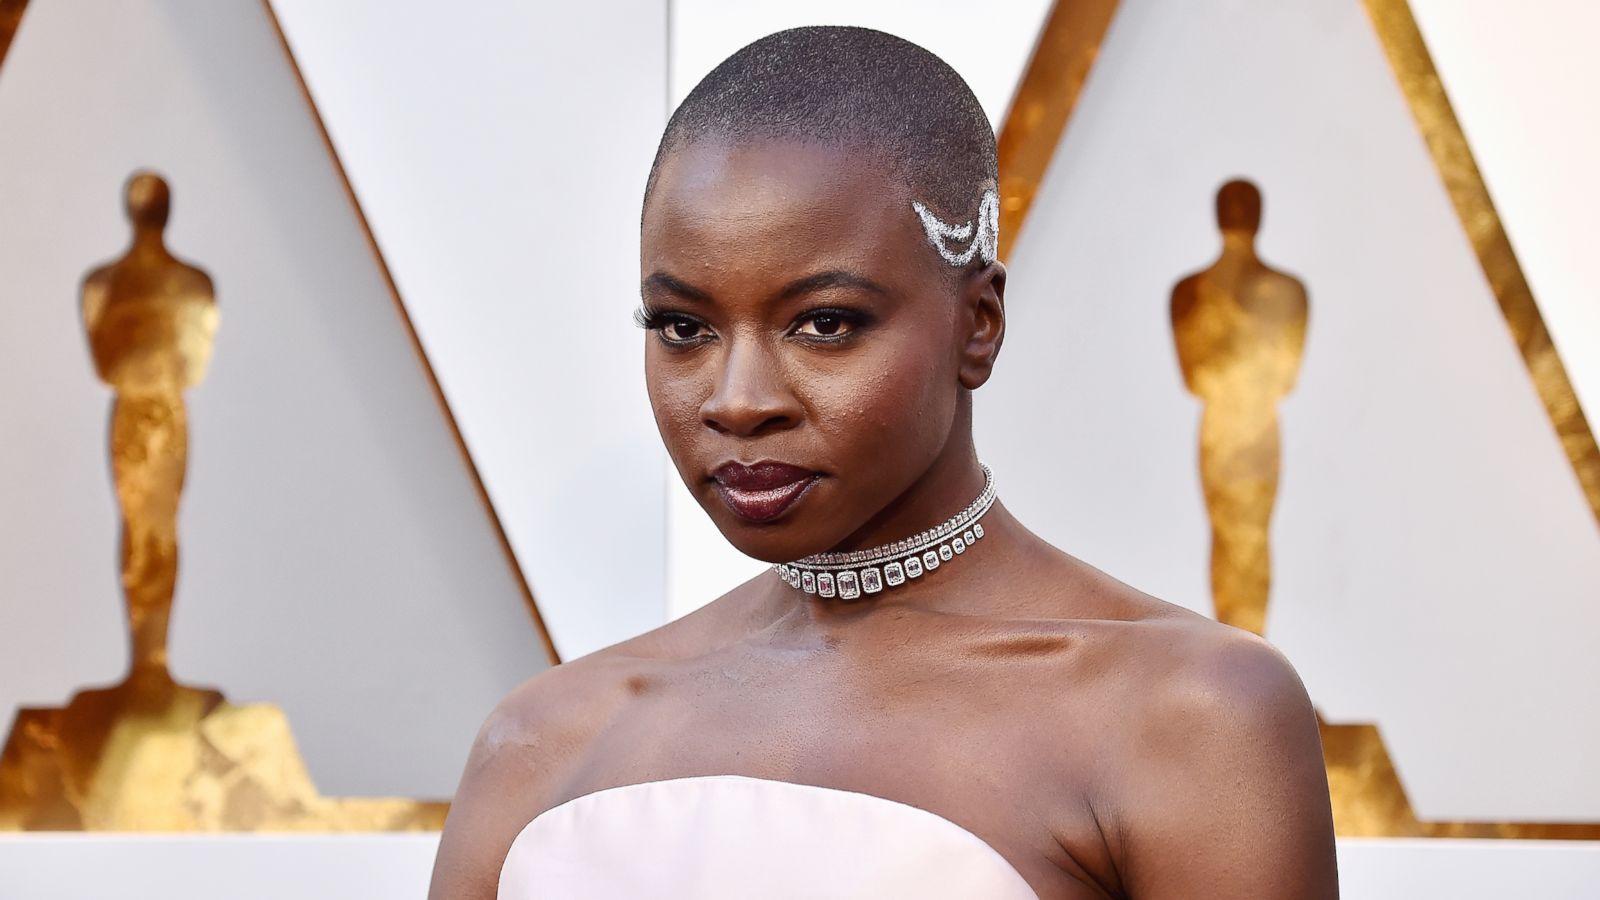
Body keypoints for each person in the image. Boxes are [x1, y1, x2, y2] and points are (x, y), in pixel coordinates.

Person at [430, 26, 1337, 899]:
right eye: (684, 328)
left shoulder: (1187, 717)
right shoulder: (541, 742)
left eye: (825, 323)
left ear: (977, 325)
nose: (738, 399)